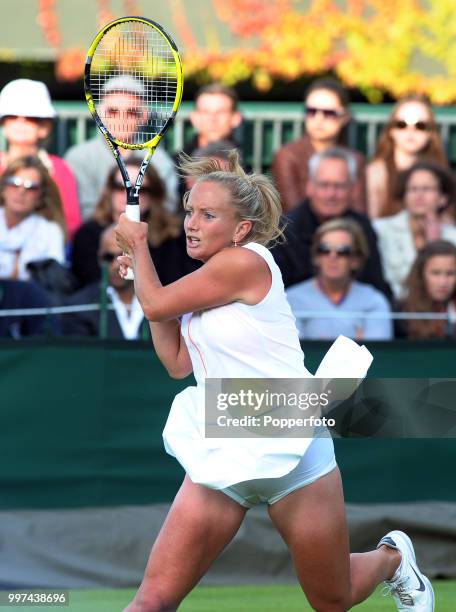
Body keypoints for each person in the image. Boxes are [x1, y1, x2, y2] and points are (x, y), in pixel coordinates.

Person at [115, 150, 434, 612]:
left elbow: (157, 304)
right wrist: (142, 276)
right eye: (189, 211)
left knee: (332, 599)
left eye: (208, 215)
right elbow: (177, 362)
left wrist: (139, 252)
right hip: (225, 442)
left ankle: (392, 559)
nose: (191, 223)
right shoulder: (205, 279)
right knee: (152, 602)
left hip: (291, 444)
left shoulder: (246, 263)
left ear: (241, 229)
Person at [272, 147, 391, 297]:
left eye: (339, 186)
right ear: (309, 186)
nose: (331, 194)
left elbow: (375, 284)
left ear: (353, 189)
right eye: (324, 185)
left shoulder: (363, 227)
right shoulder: (284, 231)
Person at [65, 75, 179, 219]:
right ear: (100, 114)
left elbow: (167, 208)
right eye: (113, 111)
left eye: (131, 112)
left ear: (144, 116)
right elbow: (82, 212)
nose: (122, 118)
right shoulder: (79, 157)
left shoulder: (160, 160)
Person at [71, 160, 198, 289]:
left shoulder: (172, 235)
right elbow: (87, 286)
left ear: (152, 194)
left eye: (140, 190)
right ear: (110, 191)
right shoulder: (87, 235)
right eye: (121, 187)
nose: (129, 195)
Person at [271, 77, 367, 214]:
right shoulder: (287, 156)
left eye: (329, 113)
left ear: (345, 117)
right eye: (312, 111)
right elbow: (294, 213)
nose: (319, 118)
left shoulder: (356, 159)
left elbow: (359, 214)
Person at [0, 79, 81, 238]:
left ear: (44, 127)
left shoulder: (59, 169)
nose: (21, 121)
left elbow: (71, 223)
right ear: (4, 123)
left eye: (31, 117)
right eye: (13, 116)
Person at [287, 218, 392, 340]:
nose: (333, 256)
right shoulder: (291, 300)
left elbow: (377, 355)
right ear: (316, 257)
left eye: (343, 251)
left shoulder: (374, 302)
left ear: (356, 260)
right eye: (324, 250)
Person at [373, 161, 456, 300]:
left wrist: (435, 245)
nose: (419, 195)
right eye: (413, 189)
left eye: (427, 189)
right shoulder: (381, 230)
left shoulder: (453, 236)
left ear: (443, 198)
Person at [367, 95, 448, 219]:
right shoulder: (376, 173)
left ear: (431, 133)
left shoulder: (441, 172)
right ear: (391, 130)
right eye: (401, 124)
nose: (411, 131)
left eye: (420, 126)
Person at [63, 225, 147, 339]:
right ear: (99, 258)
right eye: (108, 257)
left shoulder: (161, 299)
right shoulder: (79, 306)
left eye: (123, 256)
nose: (116, 265)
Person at [0, 156, 66, 281]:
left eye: (31, 187)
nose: (21, 192)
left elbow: (54, 280)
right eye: (14, 183)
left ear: (40, 197)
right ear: (3, 188)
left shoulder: (50, 231)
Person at [402, 240, 456, 339]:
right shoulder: (402, 312)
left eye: (450, 273)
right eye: (435, 273)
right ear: (421, 274)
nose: (443, 282)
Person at [182, 83, 242, 156]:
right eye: (205, 112)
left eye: (221, 112)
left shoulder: (253, 164)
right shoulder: (175, 164)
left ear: (236, 118)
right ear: (194, 118)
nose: (212, 119)